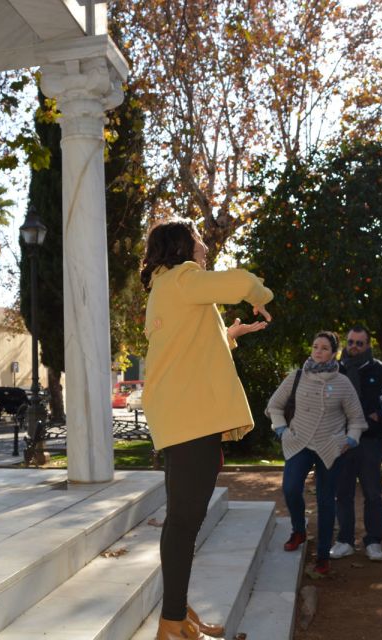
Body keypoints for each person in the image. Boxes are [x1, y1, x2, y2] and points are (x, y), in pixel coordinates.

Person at [140, 219, 273, 640]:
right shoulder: (184, 277)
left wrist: (229, 334)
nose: (203, 245)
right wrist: (260, 295)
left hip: (182, 416)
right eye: (198, 239)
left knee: (185, 520)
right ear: (181, 246)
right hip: (189, 419)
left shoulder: (167, 286)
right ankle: (171, 623)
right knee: (184, 522)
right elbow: (237, 283)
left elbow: (184, 347)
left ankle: (177, 611)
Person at [266, 331, 366, 575]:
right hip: (298, 442)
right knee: (290, 488)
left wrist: (350, 439)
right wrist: (281, 429)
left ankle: (322, 555)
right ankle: (299, 530)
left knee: (325, 501)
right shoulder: (297, 376)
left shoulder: (343, 383)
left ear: (333, 353)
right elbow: (274, 406)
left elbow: (356, 418)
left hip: (331, 448)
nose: (318, 351)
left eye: (324, 348)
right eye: (315, 346)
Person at [330, 326, 382, 562]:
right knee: (342, 493)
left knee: (373, 493)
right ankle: (344, 540)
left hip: (370, 442)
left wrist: (381, 415)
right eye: (351, 342)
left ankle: (374, 541)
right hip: (341, 442)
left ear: (368, 345)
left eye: (359, 343)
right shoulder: (336, 370)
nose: (354, 347)